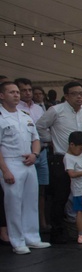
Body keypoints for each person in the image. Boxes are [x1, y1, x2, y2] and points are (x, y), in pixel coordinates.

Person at [36, 81, 82, 244]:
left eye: (81, 93)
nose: (79, 96)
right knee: (61, 196)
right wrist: (51, 140)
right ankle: (57, 231)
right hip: (62, 157)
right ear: (66, 96)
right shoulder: (56, 110)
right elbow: (40, 126)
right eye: (75, 94)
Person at [0, 80, 48, 254]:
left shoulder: (25, 115)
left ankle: (32, 237)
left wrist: (34, 154)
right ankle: (17, 241)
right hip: (10, 161)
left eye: (17, 92)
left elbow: (35, 139)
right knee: (13, 203)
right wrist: (5, 170)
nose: (16, 95)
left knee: (30, 201)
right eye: (12, 92)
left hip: (29, 161)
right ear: (2, 95)